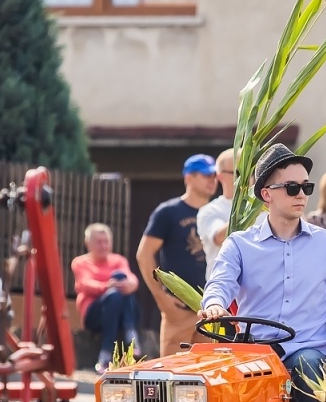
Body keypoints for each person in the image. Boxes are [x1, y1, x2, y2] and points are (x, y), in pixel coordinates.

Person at [199, 144, 326, 402]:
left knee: (307, 367)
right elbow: (221, 281)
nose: (301, 195)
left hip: (310, 352)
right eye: (291, 188)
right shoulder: (239, 244)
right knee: (212, 387)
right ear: (266, 194)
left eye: (306, 187)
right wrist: (214, 303)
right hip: (255, 353)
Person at [139, 154, 218, 355]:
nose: (212, 179)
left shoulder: (218, 213)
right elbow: (144, 254)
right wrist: (161, 297)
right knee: (175, 374)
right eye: (206, 175)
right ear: (188, 177)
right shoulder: (168, 212)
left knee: (208, 374)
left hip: (211, 310)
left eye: (215, 175)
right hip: (180, 309)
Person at [72, 223, 140, 370]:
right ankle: (129, 338)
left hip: (119, 312)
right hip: (94, 314)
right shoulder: (80, 262)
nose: (103, 246)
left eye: (106, 242)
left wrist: (129, 285)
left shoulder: (119, 260)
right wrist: (108, 287)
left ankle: (106, 354)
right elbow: (85, 283)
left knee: (122, 287)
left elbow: (132, 279)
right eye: (98, 242)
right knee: (115, 294)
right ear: (88, 243)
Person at [196, 149, 237, 281]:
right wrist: (249, 211)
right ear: (220, 176)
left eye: (252, 171)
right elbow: (219, 237)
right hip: (227, 294)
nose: (248, 177)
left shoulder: (269, 207)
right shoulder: (210, 210)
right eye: (239, 173)